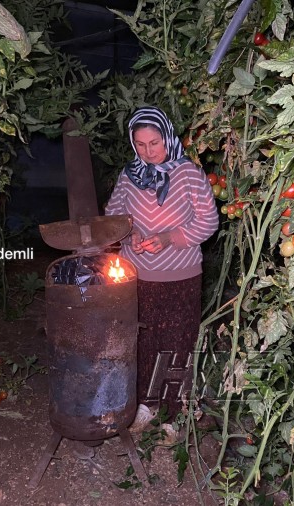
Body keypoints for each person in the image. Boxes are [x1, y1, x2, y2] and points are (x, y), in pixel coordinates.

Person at [105, 106, 218, 418]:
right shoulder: (129, 176)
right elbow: (114, 216)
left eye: (154, 143)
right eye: (140, 144)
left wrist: (170, 238)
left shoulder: (189, 174)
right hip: (136, 275)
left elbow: (208, 222)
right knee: (141, 339)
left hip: (180, 276)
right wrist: (132, 236)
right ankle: (145, 405)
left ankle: (175, 411)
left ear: (167, 137)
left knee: (177, 341)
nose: (148, 151)